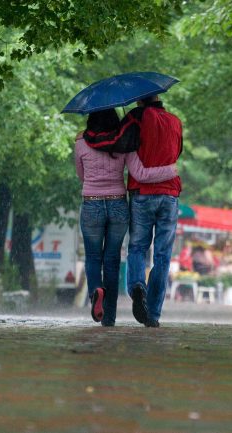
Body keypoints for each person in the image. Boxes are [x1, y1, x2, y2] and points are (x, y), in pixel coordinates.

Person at [74, 108, 177, 326]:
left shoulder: (81, 142)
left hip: (91, 203)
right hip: (118, 204)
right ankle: (109, 318)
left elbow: (81, 175)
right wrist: (170, 171)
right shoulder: (122, 143)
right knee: (112, 260)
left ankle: (96, 291)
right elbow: (139, 173)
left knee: (93, 257)